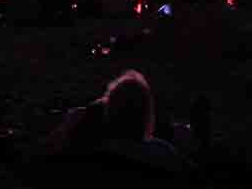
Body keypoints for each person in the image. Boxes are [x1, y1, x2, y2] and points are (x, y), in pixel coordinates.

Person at [43, 69, 182, 171]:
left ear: (109, 111)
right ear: (146, 113)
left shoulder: (91, 152)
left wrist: (73, 120)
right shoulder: (162, 153)